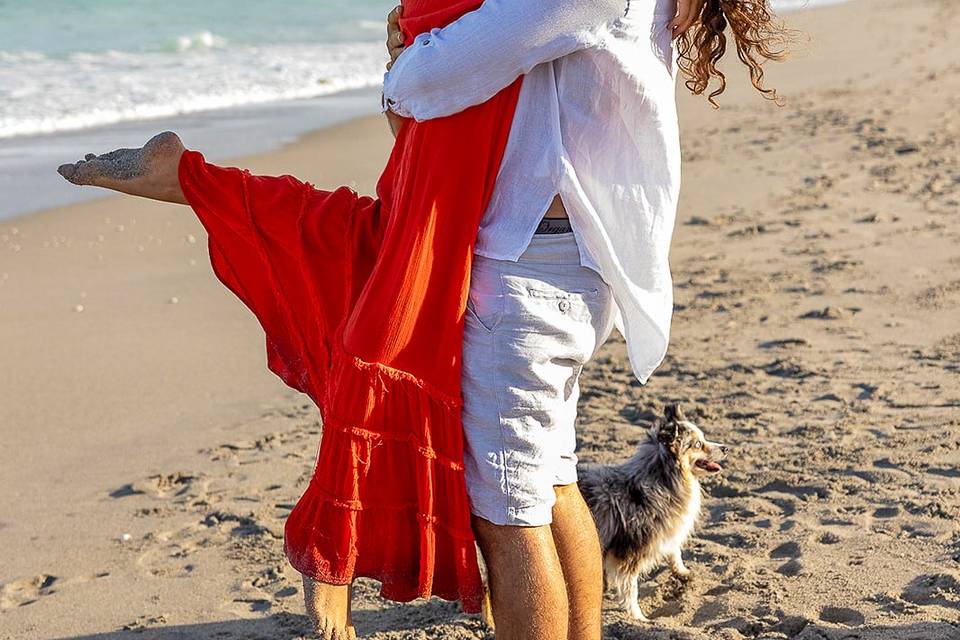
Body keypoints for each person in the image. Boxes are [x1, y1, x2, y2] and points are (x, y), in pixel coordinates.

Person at [56, 0, 789, 637]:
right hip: (565, 261)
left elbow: (445, 71)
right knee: (551, 483)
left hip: (532, 272)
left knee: (510, 513)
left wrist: (402, 58)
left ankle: (181, 175)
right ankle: (182, 174)